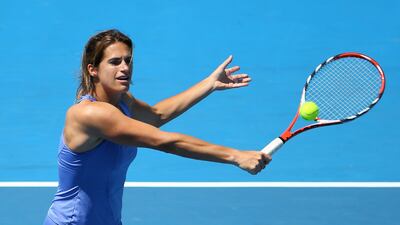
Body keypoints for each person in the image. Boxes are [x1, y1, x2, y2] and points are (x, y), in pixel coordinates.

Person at [43, 29, 271, 225]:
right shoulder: (89, 114)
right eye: (114, 62)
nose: (124, 68)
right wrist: (235, 155)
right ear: (93, 69)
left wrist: (209, 84)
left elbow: (157, 115)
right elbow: (164, 140)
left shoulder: (123, 102)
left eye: (128, 60)